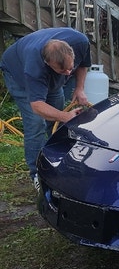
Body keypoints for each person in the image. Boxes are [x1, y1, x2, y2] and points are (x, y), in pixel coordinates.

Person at [0, 28, 92, 182]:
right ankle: (38, 174)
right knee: (35, 124)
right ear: (48, 64)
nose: (69, 73)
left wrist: (79, 88)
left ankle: (61, 162)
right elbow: (37, 106)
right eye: (62, 70)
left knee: (55, 121)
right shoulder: (34, 68)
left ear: (71, 52)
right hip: (17, 74)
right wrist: (65, 116)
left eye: (71, 67)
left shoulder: (81, 42)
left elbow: (83, 63)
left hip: (50, 78)